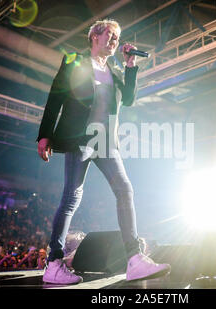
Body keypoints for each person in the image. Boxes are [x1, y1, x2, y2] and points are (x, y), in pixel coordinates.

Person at [37, 19, 171, 285]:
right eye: (111, 35)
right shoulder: (75, 61)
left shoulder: (115, 69)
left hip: (105, 140)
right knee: (72, 196)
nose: (115, 40)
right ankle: (53, 263)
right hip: (80, 138)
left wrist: (131, 67)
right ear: (95, 36)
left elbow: (130, 99)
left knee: (125, 189)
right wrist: (45, 134)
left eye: (118, 37)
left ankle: (134, 259)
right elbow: (56, 96)